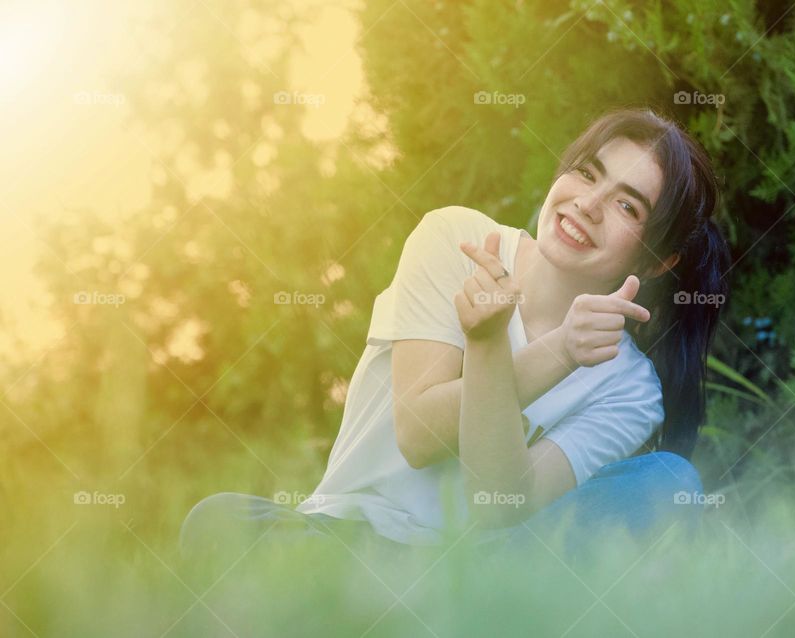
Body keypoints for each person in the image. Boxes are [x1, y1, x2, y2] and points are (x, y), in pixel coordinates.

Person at [179, 106, 731, 578]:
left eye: (627, 206)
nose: (588, 204)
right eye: (587, 174)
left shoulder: (630, 388)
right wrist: (517, 345)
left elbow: (502, 503)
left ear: (657, 262)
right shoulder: (457, 239)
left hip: (481, 573)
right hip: (345, 540)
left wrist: (535, 350)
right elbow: (418, 434)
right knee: (217, 521)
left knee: (668, 480)